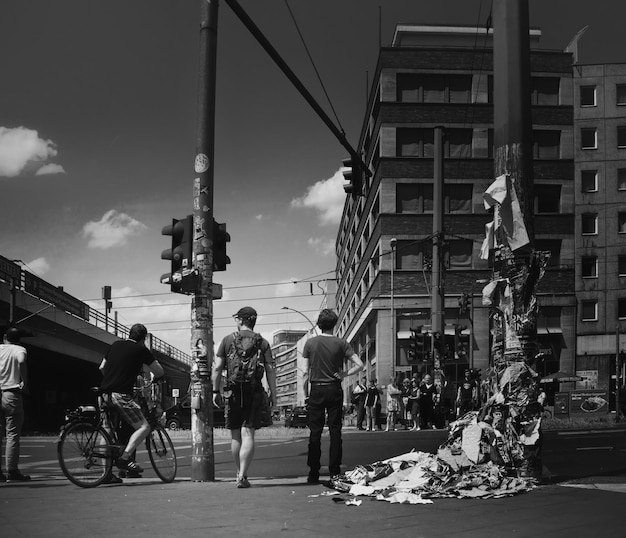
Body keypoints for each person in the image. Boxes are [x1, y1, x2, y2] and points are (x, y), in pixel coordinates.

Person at [213, 307, 277, 489]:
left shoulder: (227, 340)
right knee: (248, 433)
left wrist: (216, 391)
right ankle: (242, 475)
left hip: (232, 392)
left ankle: (240, 473)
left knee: (235, 436)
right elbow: (270, 370)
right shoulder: (262, 342)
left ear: (240, 321)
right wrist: (274, 393)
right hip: (254, 391)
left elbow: (217, 368)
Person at [302, 309, 364, 484]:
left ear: (319, 324)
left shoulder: (310, 343)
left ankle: (313, 472)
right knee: (335, 431)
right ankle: (335, 472)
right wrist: (344, 374)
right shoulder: (341, 343)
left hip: (317, 389)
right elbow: (360, 365)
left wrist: (306, 394)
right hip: (334, 388)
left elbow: (306, 373)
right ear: (335, 324)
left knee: (315, 432)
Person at [100, 323, 164, 480]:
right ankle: (125, 458)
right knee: (144, 427)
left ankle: (105, 474)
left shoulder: (115, 344)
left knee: (106, 430)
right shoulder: (140, 349)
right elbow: (159, 371)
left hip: (103, 394)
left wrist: (113, 379)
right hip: (120, 395)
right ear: (143, 339)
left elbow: (102, 367)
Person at [0, 327, 30, 482]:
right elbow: (21, 361)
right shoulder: (19, 349)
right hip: (12, 394)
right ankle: (12, 471)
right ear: (19, 339)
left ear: (5, 337)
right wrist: (24, 381)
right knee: (12, 434)